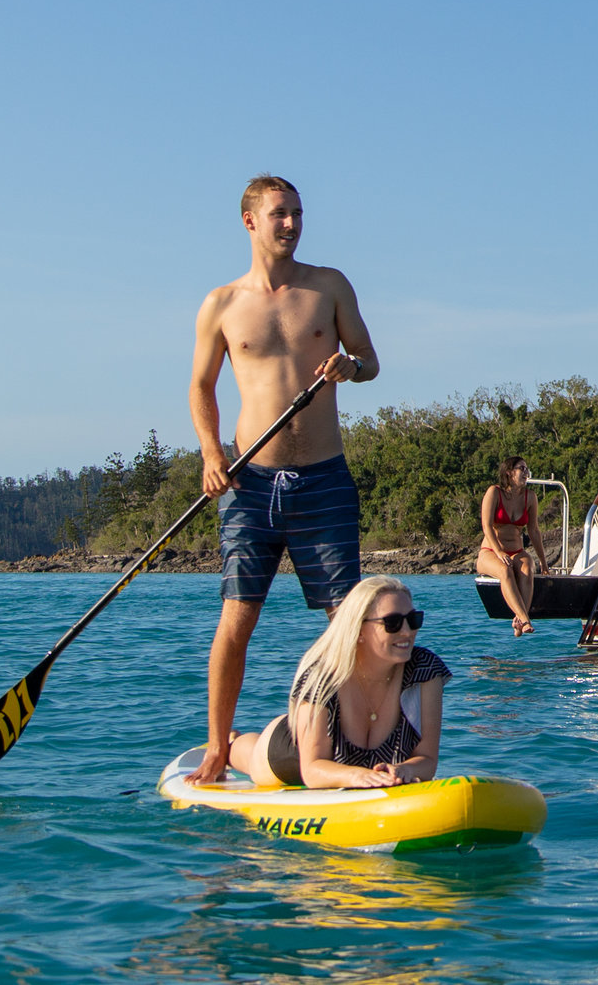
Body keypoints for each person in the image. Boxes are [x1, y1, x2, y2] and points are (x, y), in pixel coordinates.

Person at [186, 175, 382, 787]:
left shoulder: (328, 286)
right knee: (237, 617)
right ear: (250, 221)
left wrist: (350, 367)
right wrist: (211, 453)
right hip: (250, 483)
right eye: (280, 214)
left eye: (298, 213)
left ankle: (356, 747)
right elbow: (200, 386)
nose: (292, 224)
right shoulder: (221, 304)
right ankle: (218, 747)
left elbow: (371, 361)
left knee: (345, 621)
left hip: (323, 478)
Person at [220, 576, 449, 789]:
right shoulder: (322, 677)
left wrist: (405, 769)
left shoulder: (425, 671)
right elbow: (311, 770)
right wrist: (356, 775)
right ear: (359, 629)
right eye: (393, 623)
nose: (408, 631)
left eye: (413, 619)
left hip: (345, 757)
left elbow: (427, 759)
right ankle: (232, 742)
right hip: (295, 751)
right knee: (252, 761)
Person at [477, 456, 547, 637]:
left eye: (527, 469)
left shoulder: (530, 497)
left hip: (517, 550)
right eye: (521, 469)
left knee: (528, 567)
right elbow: (486, 526)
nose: (526, 473)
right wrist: (499, 552)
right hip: (491, 551)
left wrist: (543, 562)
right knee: (505, 569)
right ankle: (525, 619)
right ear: (509, 472)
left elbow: (534, 531)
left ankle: (519, 620)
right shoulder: (494, 492)